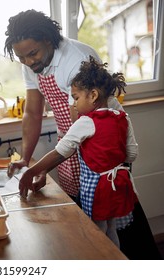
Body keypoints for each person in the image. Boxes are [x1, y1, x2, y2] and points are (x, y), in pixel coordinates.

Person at [4, 9, 161, 259]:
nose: (29, 62)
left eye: (32, 54)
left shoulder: (75, 59)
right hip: (74, 138)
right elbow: (33, 113)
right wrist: (26, 158)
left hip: (101, 144)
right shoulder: (31, 60)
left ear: (48, 39)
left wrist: (43, 167)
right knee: (89, 216)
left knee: (120, 217)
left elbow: (80, 123)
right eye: (22, 57)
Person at [19, 56, 138, 247]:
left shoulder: (86, 121)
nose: (73, 104)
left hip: (97, 188)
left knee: (97, 231)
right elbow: (131, 154)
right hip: (119, 184)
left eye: (76, 98)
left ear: (93, 95)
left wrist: (31, 171)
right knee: (112, 228)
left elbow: (60, 152)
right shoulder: (122, 117)